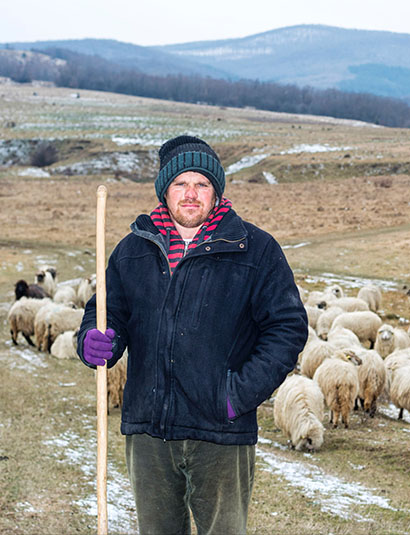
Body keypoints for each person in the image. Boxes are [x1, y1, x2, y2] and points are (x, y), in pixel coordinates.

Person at [77, 135, 308, 535]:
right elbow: (109, 312)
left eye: (201, 184)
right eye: (180, 183)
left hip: (220, 433)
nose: (190, 194)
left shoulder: (255, 250)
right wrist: (97, 339)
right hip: (150, 431)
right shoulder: (133, 250)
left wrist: (236, 396)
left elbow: (287, 328)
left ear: (215, 192)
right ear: (164, 190)